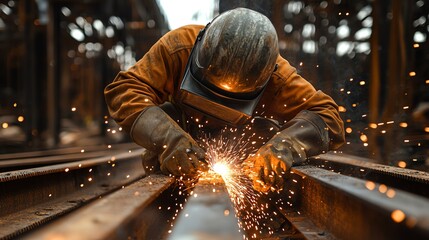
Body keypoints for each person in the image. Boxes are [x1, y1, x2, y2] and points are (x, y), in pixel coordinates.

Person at [104, 7, 345, 192]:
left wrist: (284, 148)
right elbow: (125, 89)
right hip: (184, 133)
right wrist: (170, 140)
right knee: (165, 124)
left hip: (241, 145)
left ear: (265, 77)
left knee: (266, 133)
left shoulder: (279, 78)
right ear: (199, 49)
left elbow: (327, 116)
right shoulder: (178, 47)